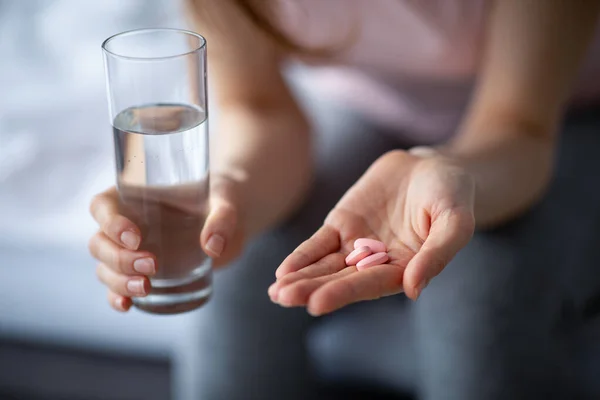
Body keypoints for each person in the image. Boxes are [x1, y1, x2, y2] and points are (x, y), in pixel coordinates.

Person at [88, 1, 600, 399]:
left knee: (473, 290)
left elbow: (518, 127)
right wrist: (232, 195)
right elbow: (260, 108)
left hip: (558, 116)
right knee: (243, 276)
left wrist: (451, 172)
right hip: (371, 104)